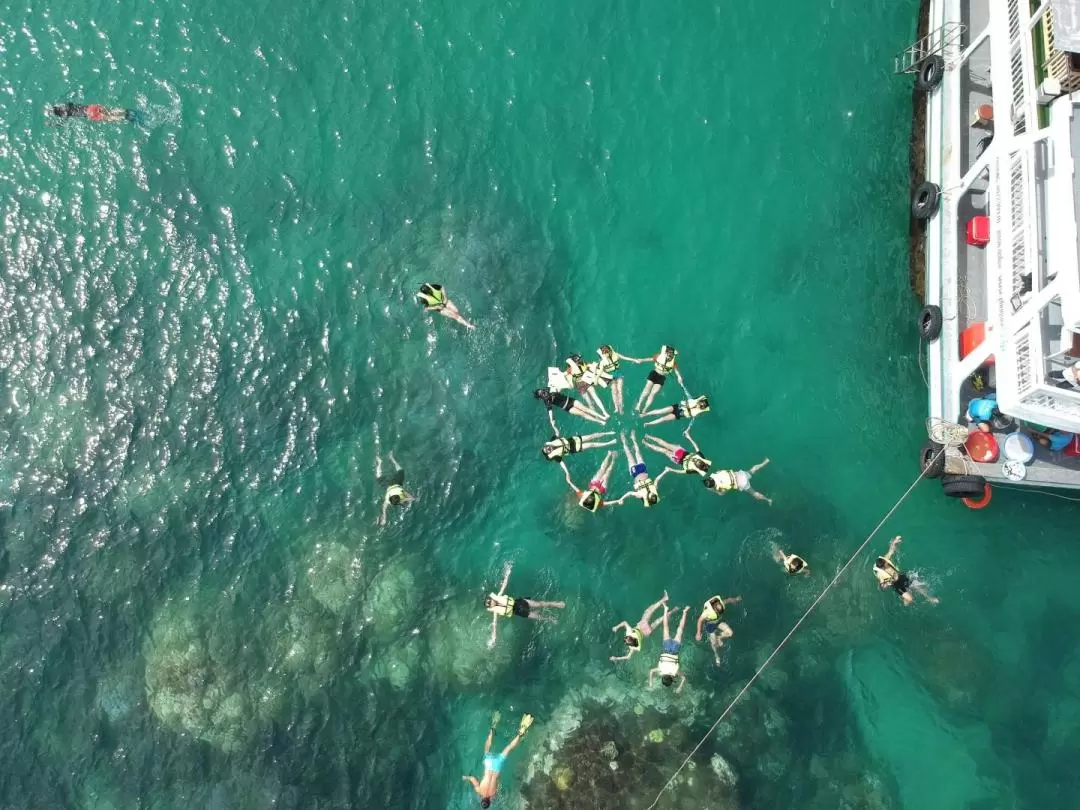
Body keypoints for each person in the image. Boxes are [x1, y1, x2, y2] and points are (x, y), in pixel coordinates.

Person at [463, 711, 534, 808]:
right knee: (487, 748)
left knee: (509, 748)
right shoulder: (479, 790)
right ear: (481, 799)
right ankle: (493, 728)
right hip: (489, 764)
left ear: (489, 801)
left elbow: (498, 784)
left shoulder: (493, 794)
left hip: (497, 766)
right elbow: (473, 778)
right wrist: (466, 777)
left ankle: (520, 733)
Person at [485, 563, 566, 647]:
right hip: (520, 612)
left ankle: (555, 604)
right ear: (491, 606)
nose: (492, 603)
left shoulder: (499, 595)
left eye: (490, 601)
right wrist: (493, 638)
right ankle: (550, 619)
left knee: (539, 604)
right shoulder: (495, 612)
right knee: (538, 617)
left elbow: (504, 585)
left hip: (520, 602)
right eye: (490, 604)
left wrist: (507, 573)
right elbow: (494, 624)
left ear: (492, 599)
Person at [873, 536, 939, 606]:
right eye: (885, 563)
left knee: (918, 586)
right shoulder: (880, 575)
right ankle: (905, 598)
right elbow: (881, 587)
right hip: (896, 585)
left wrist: (895, 541)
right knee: (910, 599)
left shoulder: (885, 560)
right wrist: (887, 584)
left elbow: (891, 551)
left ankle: (930, 598)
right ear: (883, 566)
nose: (887, 562)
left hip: (901, 576)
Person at [610, 591, 670, 662]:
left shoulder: (633, 647)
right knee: (650, 610)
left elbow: (628, 657)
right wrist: (616, 627)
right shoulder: (630, 632)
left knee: (659, 620)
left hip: (646, 632)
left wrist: (616, 658)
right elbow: (624, 623)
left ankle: (674, 610)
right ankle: (665, 598)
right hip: (642, 625)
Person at [593, 344, 653, 414]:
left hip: (618, 373)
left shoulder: (616, 355)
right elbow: (600, 372)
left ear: (609, 352)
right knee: (614, 391)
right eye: (604, 354)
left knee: (620, 391)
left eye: (606, 353)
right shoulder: (602, 362)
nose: (606, 355)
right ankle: (616, 406)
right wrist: (596, 380)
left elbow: (625, 358)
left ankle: (621, 407)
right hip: (610, 375)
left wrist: (634, 360)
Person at [612, 430, 661, 508]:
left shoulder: (640, 495)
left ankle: (624, 439)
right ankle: (633, 438)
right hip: (643, 470)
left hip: (636, 473)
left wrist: (621, 499)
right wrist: (665, 471)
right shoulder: (653, 489)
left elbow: (629, 493)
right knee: (636, 452)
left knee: (629, 454)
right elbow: (658, 479)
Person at [648, 605, 690, 693]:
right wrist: (650, 682)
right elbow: (651, 671)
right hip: (667, 647)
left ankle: (685, 611)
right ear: (663, 677)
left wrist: (680, 687)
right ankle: (665, 609)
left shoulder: (675, 672)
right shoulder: (660, 670)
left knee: (680, 629)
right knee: (666, 627)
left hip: (675, 649)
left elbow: (684, 678)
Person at [633, 345, 686, 414]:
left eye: (671, 355)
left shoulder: (673, 362)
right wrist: (641, 360)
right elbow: (651, 359)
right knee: (647, 390)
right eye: (669, 354)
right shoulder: (659, 356)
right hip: (654, 373)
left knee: (653, 393)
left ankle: (645, 408)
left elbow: (676, 370)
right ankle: (639, 404)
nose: (670, 356)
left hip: (661, 377)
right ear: (666, 353)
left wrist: (679, 377)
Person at [694, 594, 741, 665]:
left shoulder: (721, 603)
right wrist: (698, 632)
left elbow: (728, 600)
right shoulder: (707, 612)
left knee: (730, 633)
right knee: (714, 644)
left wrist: (736, 599)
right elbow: (700, 620)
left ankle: (719, 637)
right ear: (714, 610)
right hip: (710, 625)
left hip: (718, 622)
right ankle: (716, 655)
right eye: (718, 612)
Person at [642, 432, 711, 478]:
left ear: (697, 467)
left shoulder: (694, 470)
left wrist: (671, 469)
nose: (695, 460)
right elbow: (696, 447)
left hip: (679, 460)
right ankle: (649, 436)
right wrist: (689, 437)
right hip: (682, 452)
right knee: (665, 444)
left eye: (695, 462)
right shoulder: (702, 458)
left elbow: (682, 472)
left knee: (664, 451)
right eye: (697, 460)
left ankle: (647, 444)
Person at [534, 388, 607, 431]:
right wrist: (552, 420)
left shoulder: (549, 389)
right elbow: (550, 411)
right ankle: (600, 421)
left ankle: (602, 416)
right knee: (583, 414)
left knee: (586, 409)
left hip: (571, 400)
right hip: (567, 407)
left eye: (543, 391)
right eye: (542, 394)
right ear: (541, 397)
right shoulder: (547, 401)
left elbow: (558, 385)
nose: (544, 393)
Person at [704, 459, 772, 505]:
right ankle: (765, 462)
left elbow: (722, 493)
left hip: (743, 483)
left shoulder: (719, 487)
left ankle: (768, 500)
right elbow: (720, 471)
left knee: (754, 494)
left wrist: (714, 490)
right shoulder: (715, 475)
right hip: (742, 474)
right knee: (752, 470)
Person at [564, 354, 612, 419]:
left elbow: (589, 367)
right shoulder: (570, 370)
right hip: (580, 386)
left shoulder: (581, 364)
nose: (579, 361)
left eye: (579, 360)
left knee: (595, 397)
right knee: (589, 403)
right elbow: (566, 376)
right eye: (578, 360)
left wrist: (596, 366)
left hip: (586, 382)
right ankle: (597, 417)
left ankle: (604, 412)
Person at [376, 451, 415, 526]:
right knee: (400, 471)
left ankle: (384, 461)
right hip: (395, 484)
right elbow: (410, 497)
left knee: (400, 471)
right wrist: (410, 499)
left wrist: (384, 518)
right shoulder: (398, 493)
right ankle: (390, 459)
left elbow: (384, 507)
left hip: (391, 485)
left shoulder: (390, 498)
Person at [541, 431, 616, 462]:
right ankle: (609, 443)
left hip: (572, 440)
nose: (548, 449)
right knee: (591, 445)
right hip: (574, 448)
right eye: (547, 451)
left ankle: (607, 433)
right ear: (549, 452)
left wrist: (554, 426)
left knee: (591, 436)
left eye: (547, 447)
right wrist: (567, 473)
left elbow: (557, 433)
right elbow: (560, 462)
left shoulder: (552, 440)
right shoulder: (555, 456)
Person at [640, 395, 710, 426]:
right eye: (700, 404)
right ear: (699, 402)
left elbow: (707, 409)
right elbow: (704, 397)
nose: (700, 406)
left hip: (679, 415)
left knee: (663, 419)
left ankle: (648, 423)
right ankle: (645, 414)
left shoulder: (700, 411)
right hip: (677, 407)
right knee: (660, 411)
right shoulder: (695, 400)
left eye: (701, 406)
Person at [46, 102, 137, 123]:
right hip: (90, 108)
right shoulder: (66, 106)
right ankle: (124, 111)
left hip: (89, 115)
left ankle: (124, 117)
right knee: (110, 111)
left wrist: (52, 123)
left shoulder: (64, 115)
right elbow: (71, 103)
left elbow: (62, 122)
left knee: (109, 118)